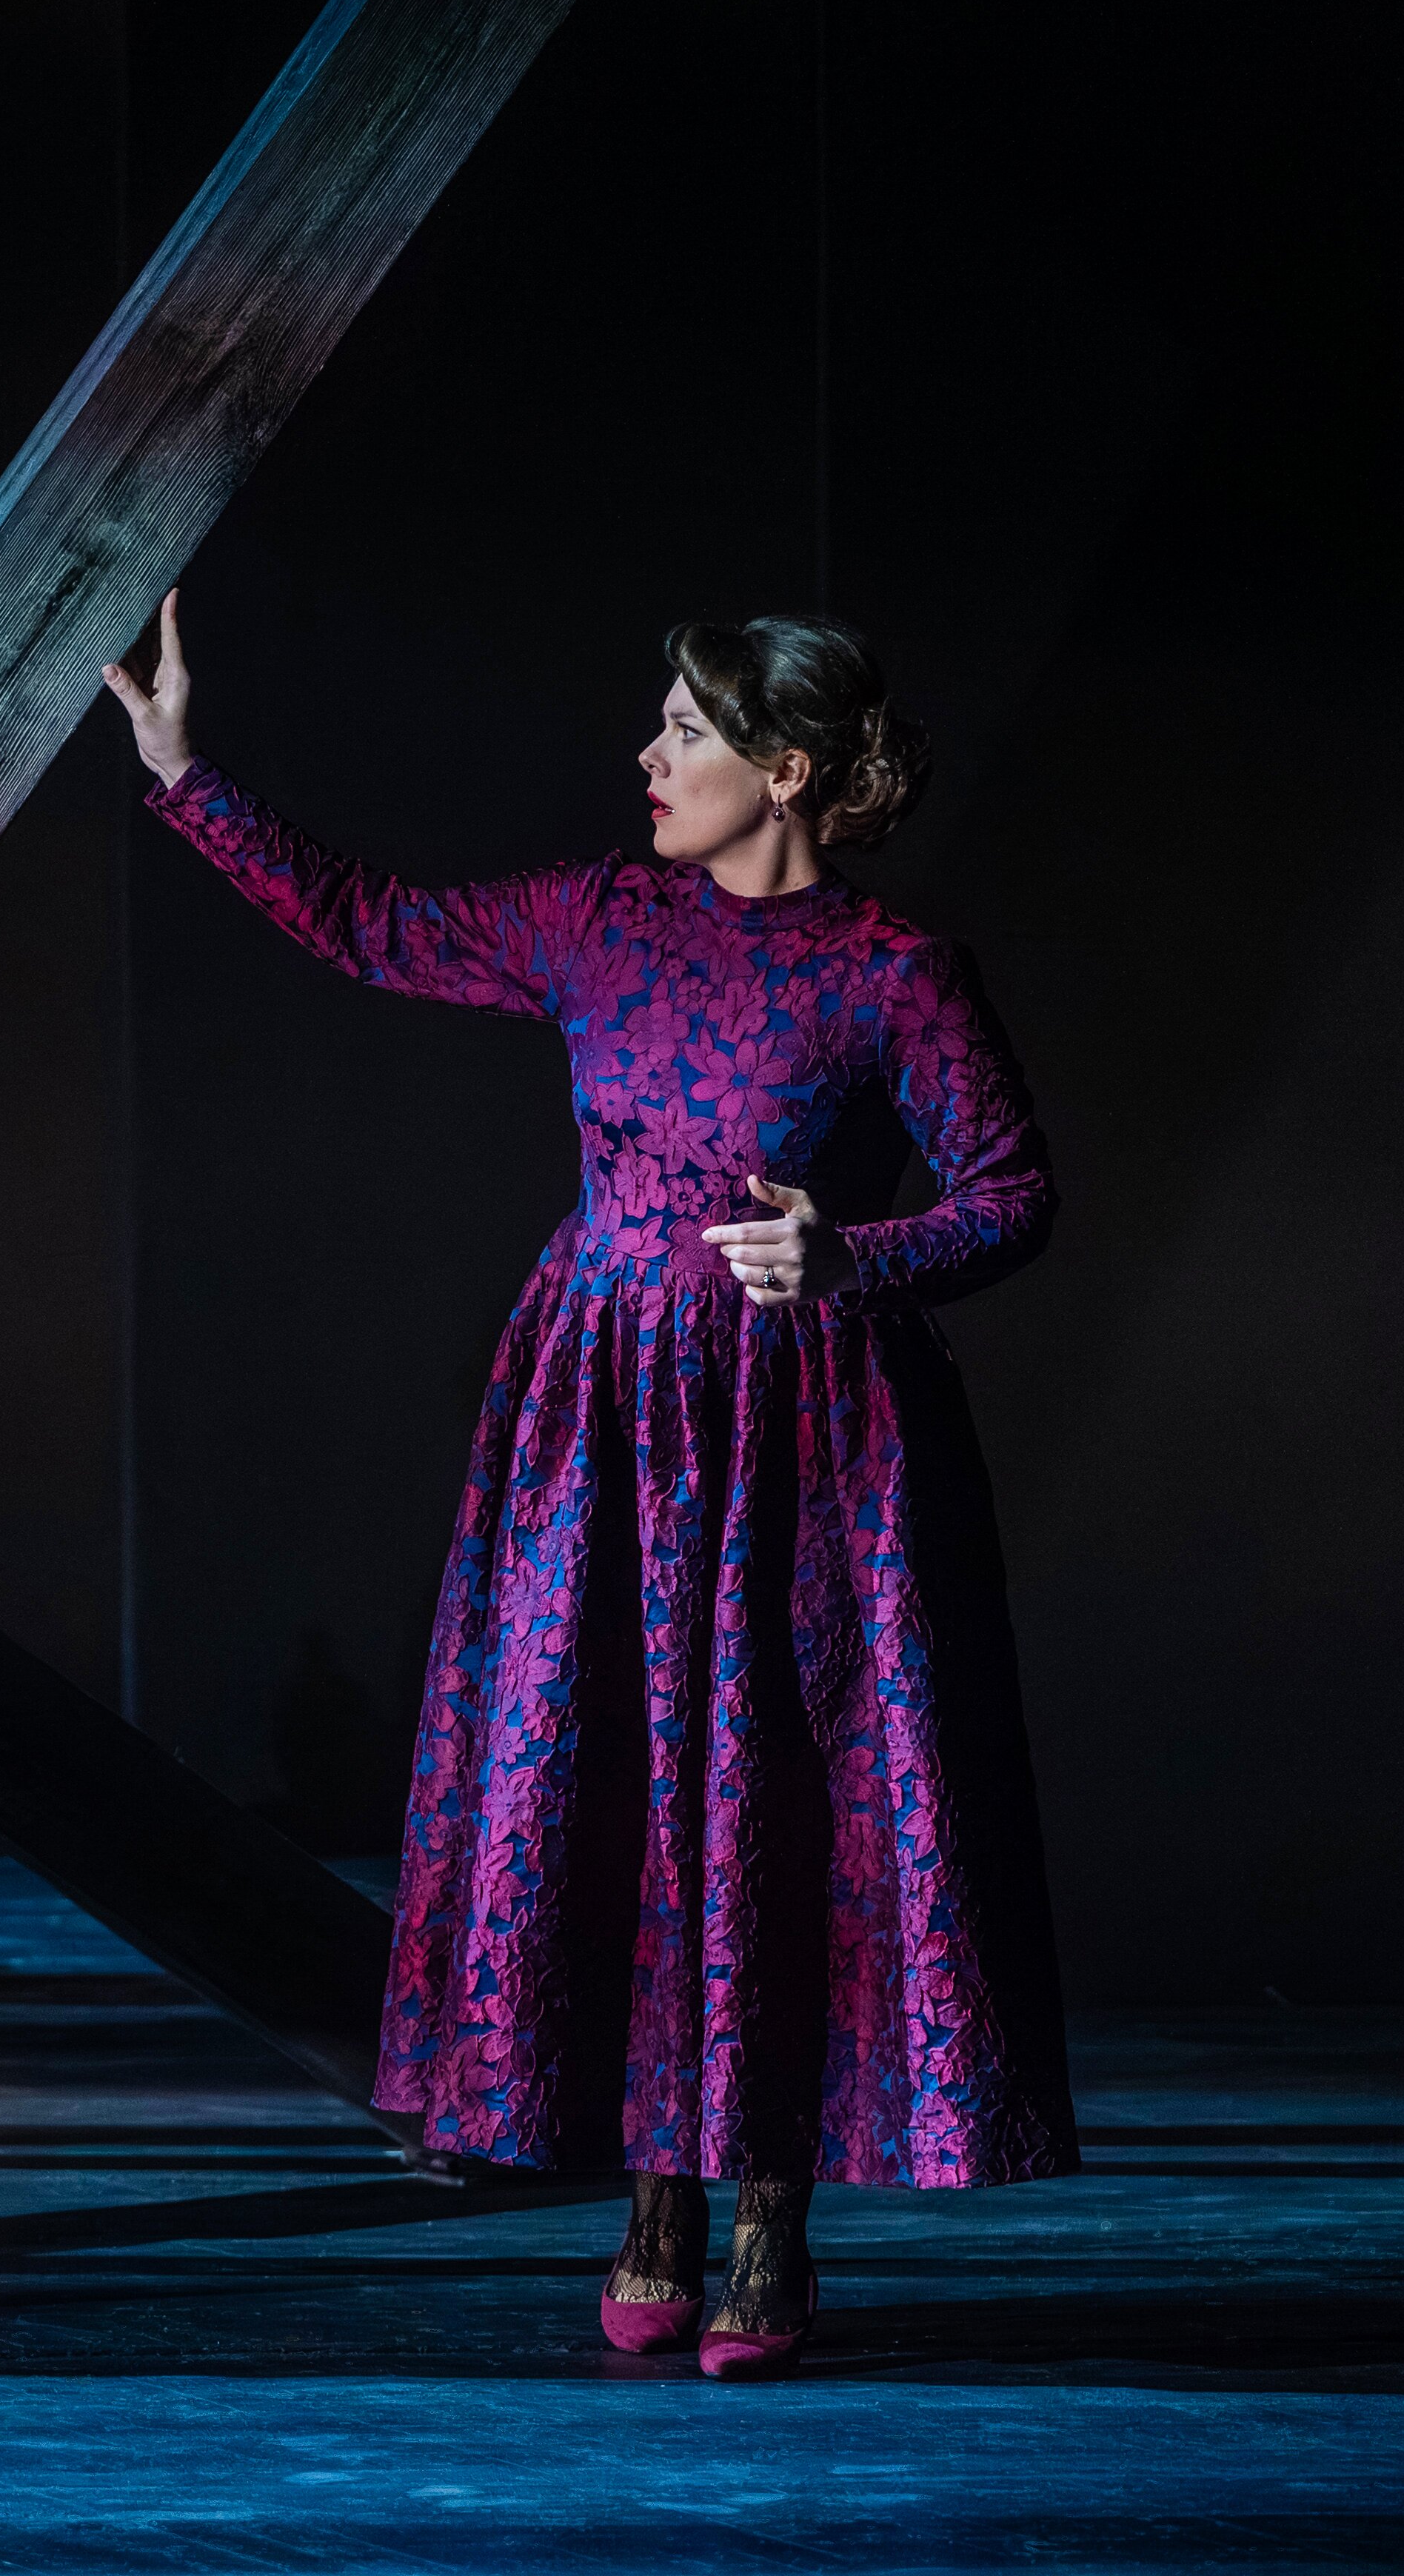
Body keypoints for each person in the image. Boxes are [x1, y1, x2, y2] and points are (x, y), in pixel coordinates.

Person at [104, 595, 1076, 2379]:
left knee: (771, 1799)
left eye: (686, 732)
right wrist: (184, 772)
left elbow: (1010, 1193)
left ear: (786, 770)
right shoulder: (594, 918)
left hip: (805, 1438)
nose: (649, 755)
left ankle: (767, 2219)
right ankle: (649, 2204)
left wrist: (851, 1257)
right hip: (602, 1409)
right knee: (611, 1784)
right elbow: (369, 925)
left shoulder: (892, 970)